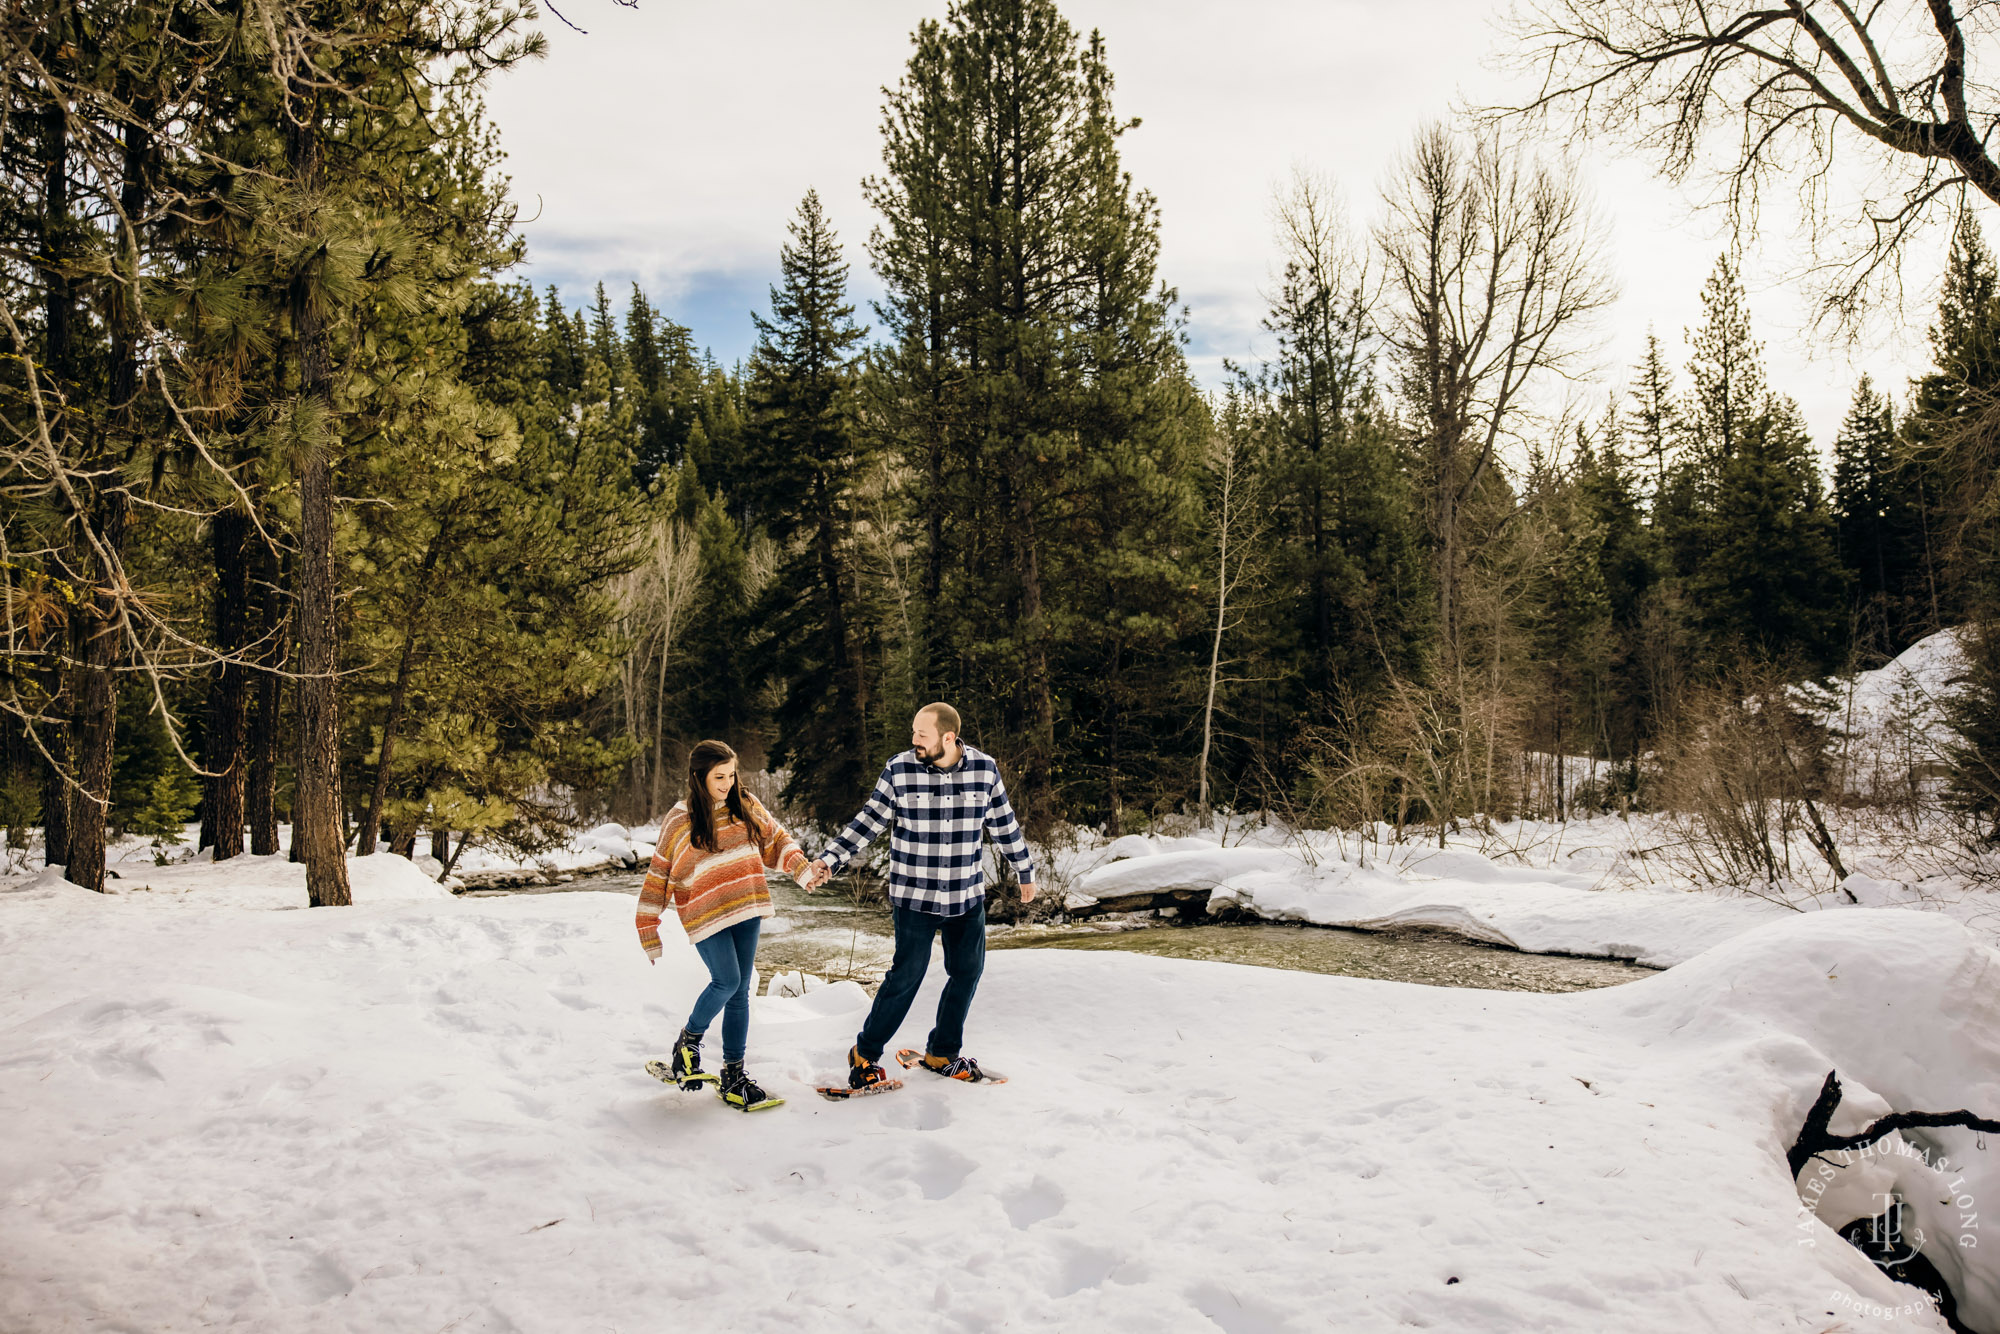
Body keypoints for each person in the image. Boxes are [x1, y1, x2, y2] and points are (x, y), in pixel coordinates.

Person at [798, 702, 1035, 1087]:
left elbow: (1005, 825)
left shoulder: (984, 770)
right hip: (914, 896)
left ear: (948, 737)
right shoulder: (900, 769)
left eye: (921, 735)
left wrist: (1024, 871)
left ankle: (943, 1053)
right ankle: (864, 1055)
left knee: (967, 972)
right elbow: (868, 821)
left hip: (965, 896)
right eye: (913, 733)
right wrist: (830, 859)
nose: (914, 741)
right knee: (906, 974)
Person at [635, 739, 809, 1112]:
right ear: (699, 776)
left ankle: (734, 1074)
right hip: (704, 912)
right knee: (726, 981)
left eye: (731, 775)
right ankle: (689, 1042)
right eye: (719, 777)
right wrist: (648, 924)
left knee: (741, 991)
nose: (727, 783)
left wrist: (802, 870)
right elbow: (660, 872)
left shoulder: (744, 804)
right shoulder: (679, 819)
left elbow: (776, 840)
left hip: (746, 906)